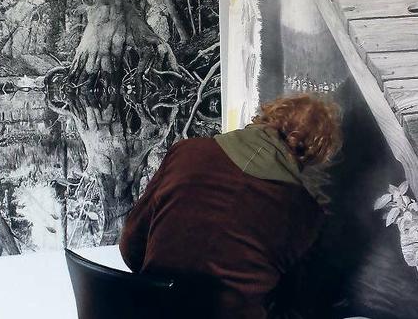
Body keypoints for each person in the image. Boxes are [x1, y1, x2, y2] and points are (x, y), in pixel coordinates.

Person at [119, 93, 342, 318]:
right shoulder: (307, 214)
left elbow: (131, 246)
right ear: (314, 154)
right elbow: (296, 305)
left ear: (267, 117)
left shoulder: (186, 152)